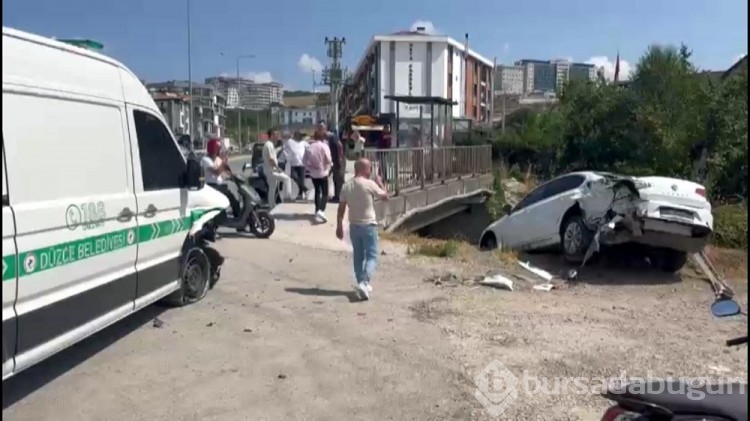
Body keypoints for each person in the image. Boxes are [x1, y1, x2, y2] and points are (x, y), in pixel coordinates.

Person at [336, 158, 389, 300]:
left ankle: (361, 283)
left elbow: (341, 208)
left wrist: (339, 225)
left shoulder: (346, 186)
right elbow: (385, 197)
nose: (371, 170)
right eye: (370, 168)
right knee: (371, 256)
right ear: (364, 169)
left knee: (358, 256)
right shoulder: (369, 184)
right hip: (369, 225)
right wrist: (380, 183)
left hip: (354, 226)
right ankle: (364, 282)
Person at [201, 138, 241, 226]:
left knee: (234, 200)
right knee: (228, 197)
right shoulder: (206, 160)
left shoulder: (217, 159)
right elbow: (216, 172)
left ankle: (239, 220)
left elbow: (225, 168)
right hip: (211, 186)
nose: (219, 151)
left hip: (219, 186)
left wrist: (233, 174)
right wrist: (223, 162)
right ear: (214, 149)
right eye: (218, 149)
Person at [303, 129, 332, 222]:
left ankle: (317, 210)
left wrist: (309, 168)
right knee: (325, 193)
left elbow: (304, 161)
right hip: (323, 172)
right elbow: (328, 159)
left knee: (317, 191)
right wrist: (329, 166)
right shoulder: (324, 146)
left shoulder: (309, 147)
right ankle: (321, 210)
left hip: (313, 173)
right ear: (323, 137)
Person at [261, 129, 293, 208]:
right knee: (287, 179)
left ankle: (271, 206)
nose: (277, 136)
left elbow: (273, 153)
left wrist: (279, 148)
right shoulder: (268, 145)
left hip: (270, 170)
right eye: (275, 134)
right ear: (271, 135)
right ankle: (287, 198)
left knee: (272, 189)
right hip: (271, 171)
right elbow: (271, 159)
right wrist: (278, 168)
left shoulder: (270, 145)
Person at [319, 121, 345, 203]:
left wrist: (340, 159)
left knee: (339, 178)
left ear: (325, 129)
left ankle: (340, 197)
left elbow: (340, 146)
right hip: (332, 161)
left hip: (338, 160)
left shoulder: (331, 136)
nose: (320, 130)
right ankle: (336, 196)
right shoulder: (324, 138)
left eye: (321, 128)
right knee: (333, 178)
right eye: (319, 128)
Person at [284, 131, 309, 200]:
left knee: (301, 180)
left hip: (302, 164)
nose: (301, 137)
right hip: (293, 164)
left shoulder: (304, 143)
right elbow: (285, 150)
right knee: (294, 177)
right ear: (296, 135)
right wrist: (288, 158)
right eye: (300, 135)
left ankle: (300, 194)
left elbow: (309, 150)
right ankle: (305, 189)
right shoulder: (289, 141)